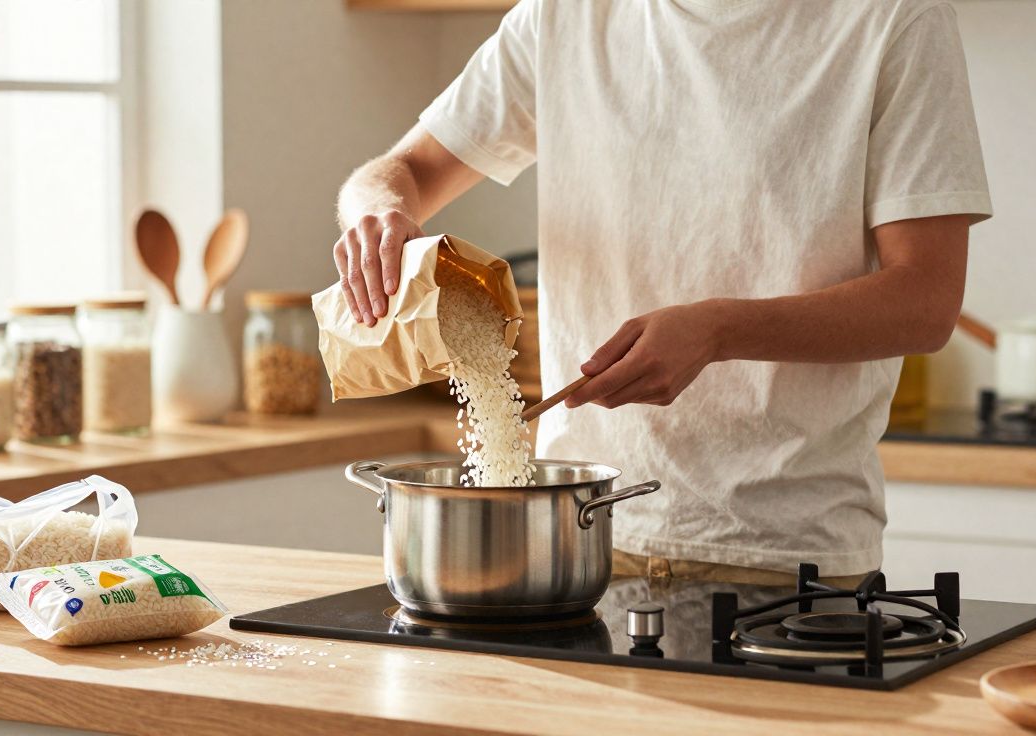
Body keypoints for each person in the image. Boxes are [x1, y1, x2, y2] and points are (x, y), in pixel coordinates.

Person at [331, 0, 990, 586]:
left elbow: (925, 301)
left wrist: (717, 331)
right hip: (578, 547)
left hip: (786, 559)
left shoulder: (894, 17)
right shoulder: (563, 16)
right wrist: (376, 213)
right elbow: (402, 171)